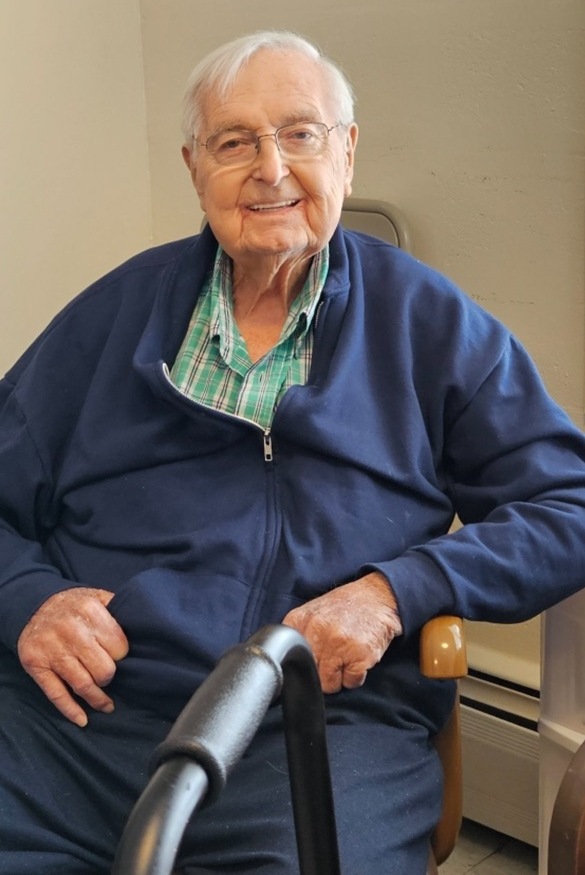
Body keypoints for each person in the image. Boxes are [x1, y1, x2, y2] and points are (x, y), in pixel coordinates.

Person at [0, 29, 584, 875]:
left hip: (317, 727)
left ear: (346, 152)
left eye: (300, 134)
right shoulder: (114, 312)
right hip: (80, 720)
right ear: (194, 167)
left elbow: (568, 503)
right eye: (234, 142)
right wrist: (27, 598)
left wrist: (396, 591)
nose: (269, 168)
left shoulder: (425, 322)